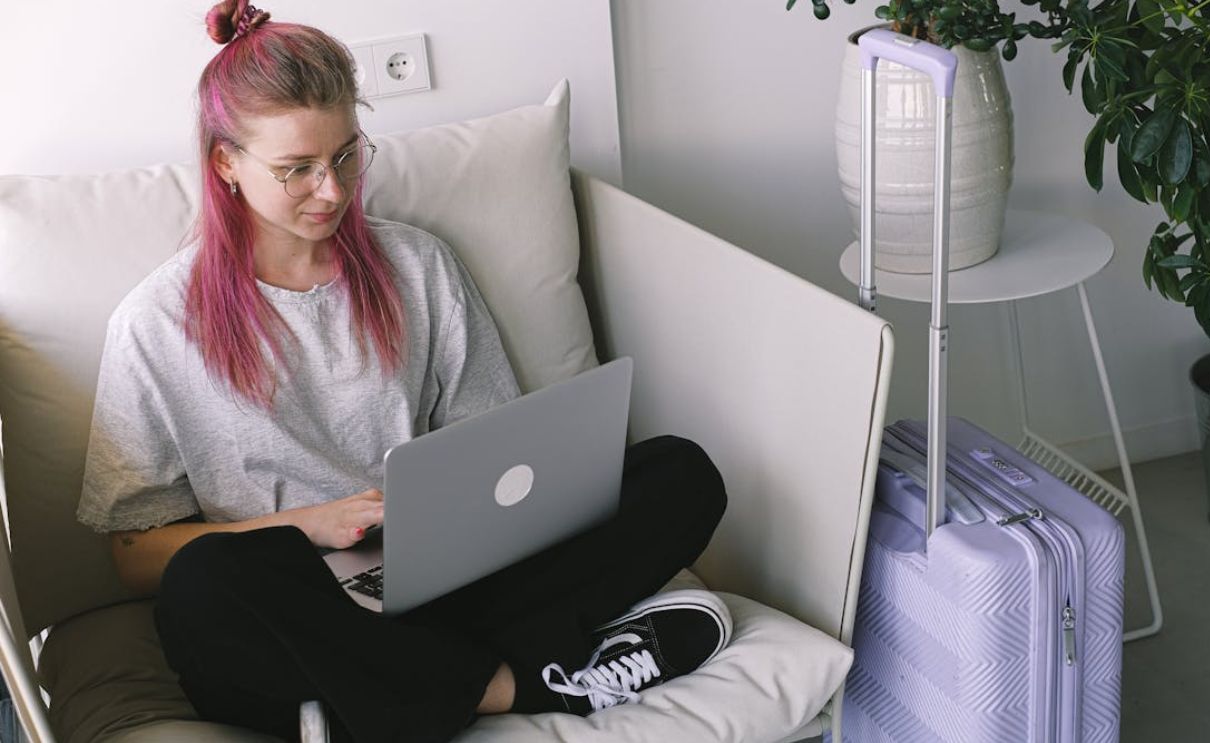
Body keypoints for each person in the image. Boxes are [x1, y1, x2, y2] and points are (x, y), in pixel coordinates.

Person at [74, 2, 732, 741]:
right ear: (226, 162)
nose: (333, 190)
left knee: (680, 473)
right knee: (207, 582)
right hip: (290, 605)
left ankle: (374, 699)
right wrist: (311, 525)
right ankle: (521, 680)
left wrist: (465, 515)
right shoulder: (157, 322)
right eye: (297, 169)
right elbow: (133, 556)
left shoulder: (416, 266)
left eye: (347, 155)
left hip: (441, 583)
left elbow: (495, 451)